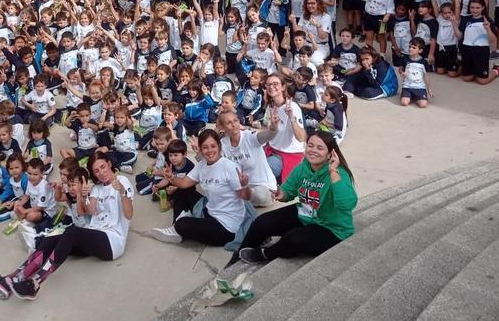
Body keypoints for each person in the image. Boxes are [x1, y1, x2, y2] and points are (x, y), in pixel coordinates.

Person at [0, 153, 133, 301]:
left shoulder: (122, 181)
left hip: (113, 241)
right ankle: (10, 280)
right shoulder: (97, 188)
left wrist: (122, 193)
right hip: (93, 235)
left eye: (103, 167)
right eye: (96, 170)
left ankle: (35, 284)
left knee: (71, 232)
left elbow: (129, 214)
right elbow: (91, 213)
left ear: (110, 164)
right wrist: (85, 195)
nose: (101, 172)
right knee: (53, 238)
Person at [230, 131, 357, 266]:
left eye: (320, 148)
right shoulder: (303, 168)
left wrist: (332, 172)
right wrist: (281, 194)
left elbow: (347, 205)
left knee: (293, 238)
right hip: (307, 215)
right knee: (262, 222)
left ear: (330, 154)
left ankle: (264, 254)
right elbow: (288, 191)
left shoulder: (339, 173)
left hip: (332, 228)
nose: (313, 150)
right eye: (310, 145)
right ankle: (238, 255)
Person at [150, 129, 250, 246]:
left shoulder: (230, 167)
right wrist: (171, 177)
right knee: (183, 191)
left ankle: (178, 227)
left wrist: (245, 186)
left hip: (226, 226)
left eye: (213, 146)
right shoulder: (202, 165)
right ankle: (175, 228)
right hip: (210, 212)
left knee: (183, 224)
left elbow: (245, 197)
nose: (209, 150)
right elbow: (184, 183)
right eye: (205, 147)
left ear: (219, 146)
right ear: (201, 149)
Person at [261, 74, 307, 183]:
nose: (271, 87)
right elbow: (272, 133)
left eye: (275, 84)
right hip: (272, 148)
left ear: (283, 87)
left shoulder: (292, 107)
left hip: (287, 154)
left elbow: (301, 138)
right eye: (268, 85)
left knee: (262, 170)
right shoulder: (271, 106)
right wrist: (273, 126)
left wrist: (291, 117)